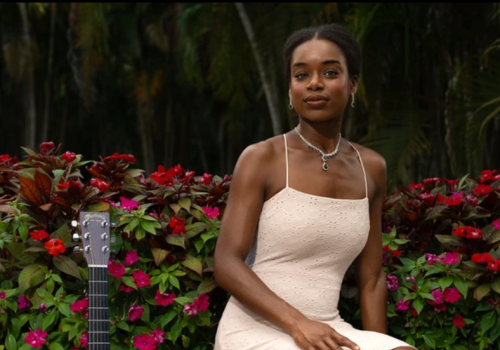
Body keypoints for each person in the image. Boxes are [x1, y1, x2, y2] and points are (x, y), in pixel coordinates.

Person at [213, 23, 416, 350]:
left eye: (330, 72)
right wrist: (298, 323)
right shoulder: (262, 158)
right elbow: (226, 263)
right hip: (256, 327)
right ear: (290, 89)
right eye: (301, 75)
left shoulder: (372, 168)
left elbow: (372, 280)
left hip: (328, 329)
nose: (315, 84)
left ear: (352, 85)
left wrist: (381, 343)